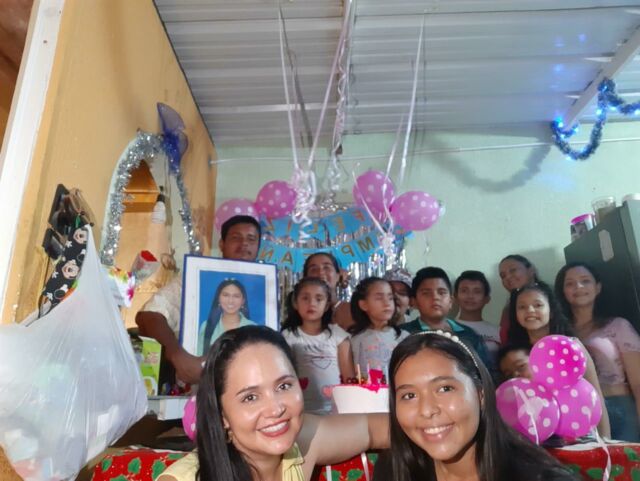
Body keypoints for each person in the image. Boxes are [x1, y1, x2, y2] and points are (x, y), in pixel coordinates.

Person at [157, 325, 389, 481]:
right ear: (222, 415)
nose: (276, 409)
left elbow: (373, 429)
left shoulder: (302, 441)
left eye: (284, 386)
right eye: (250, 397)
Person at [371, 331, 578, 481]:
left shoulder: (539, 477)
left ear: (480, 394)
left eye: (445, 389)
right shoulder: (395, 470)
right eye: (409, 395)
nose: (426, 410)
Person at [136, 215, 261, 384]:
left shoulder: (266, 289)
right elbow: (149, 315)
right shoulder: (194, 278)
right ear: (222, 244)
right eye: (236, 237)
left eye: (251, 239)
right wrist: (178, 356)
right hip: (198, 388)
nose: (244, 243)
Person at [507, 281, 611, 437]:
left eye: (538, 305)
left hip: (579, 434)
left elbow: (596, 395)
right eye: (522, 307)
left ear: (551, 311)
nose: (530, 310)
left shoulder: (572, 347)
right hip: (537, 437)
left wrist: (605, 439)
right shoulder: (515, 355)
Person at [555, 262, 640, 441]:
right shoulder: (559, 334)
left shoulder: (618, 326)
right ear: (563, 292)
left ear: (598, 287)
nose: (578, 287)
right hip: (577, 413)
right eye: (570, 283)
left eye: (585, 281)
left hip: (619, 409)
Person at [281, 277, 355, 414]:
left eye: (319, 299)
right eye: (305, 298)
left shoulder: (338, 336)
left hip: (336, 410)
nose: (312, 303)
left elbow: (349, 377)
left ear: (326, 306)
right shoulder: (288, 337)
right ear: (295, 303)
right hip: (302, 411)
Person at [402, 267, 492, 371]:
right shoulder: (404, 334)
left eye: (442, 292)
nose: (435, 297)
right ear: (414, 302)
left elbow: (485, 373)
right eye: (426, 293)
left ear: (451, 301)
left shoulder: (468, 334)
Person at [349, 277, 409, 378]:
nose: (387, 303)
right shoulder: (353, 339)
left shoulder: (404, 337)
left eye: (390, 298)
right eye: (379, 298)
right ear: (363, 304)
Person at [198, 279, 255, 356]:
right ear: (218, 298)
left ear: (243, 301)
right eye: (226, 295)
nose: (230, 301)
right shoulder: (206, 326)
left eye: (236, 296)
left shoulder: (253, 329)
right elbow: (200, 358)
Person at [454, 270, 501, 360]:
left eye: (477, 292)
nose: (470, 296)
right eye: (464, 291)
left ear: (487, 299)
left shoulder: (498, 331)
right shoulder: (447, 329)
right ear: (455, 297)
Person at [302, 252, 354, 330]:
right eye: (314, 269)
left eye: (326, 267)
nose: (321, 272)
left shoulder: (353, 310)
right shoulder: (301, 312)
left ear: (338, 276)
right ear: (306, 278)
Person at [497, 255, 539, 343]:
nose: (507, 277)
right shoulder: (508, 309)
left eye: (513, 270)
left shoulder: (549, 299)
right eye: (503, 276)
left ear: (531, 270)